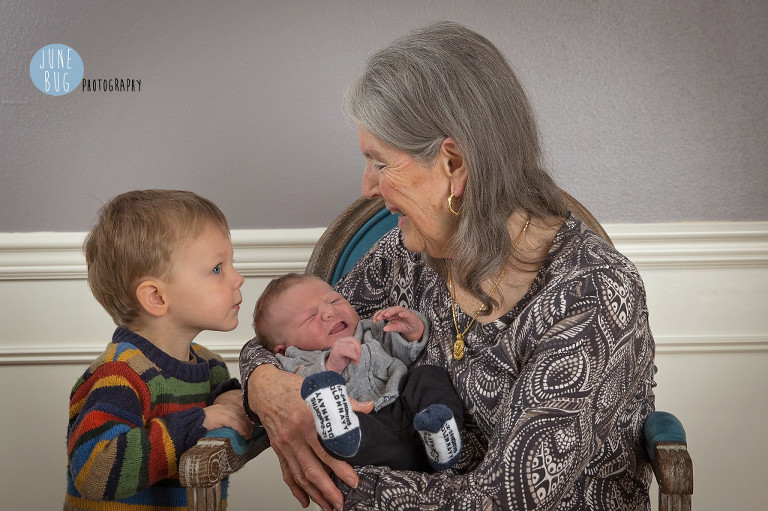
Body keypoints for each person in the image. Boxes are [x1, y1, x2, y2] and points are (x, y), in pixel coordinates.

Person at [240, 21, 656, 511]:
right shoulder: (408, 253)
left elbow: (502, 500)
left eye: (380, 163)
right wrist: (265, 386)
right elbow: (284, 335)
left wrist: (343, 485)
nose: (367, 187)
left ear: (453, 164)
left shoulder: (594, 293)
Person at [65, 189, 253, 511]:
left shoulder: (211, 367)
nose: (238, 278)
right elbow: (94, 472)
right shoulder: (120, 374)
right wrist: (197, 423)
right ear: (156, 297)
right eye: (217, 269)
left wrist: (232, 400)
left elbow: (221, 435)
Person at [252, 272, 464, 472]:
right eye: (311, 316)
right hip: (367, 426)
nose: (329, 312)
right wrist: (331, 366)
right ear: (283, 348)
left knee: (428, 375)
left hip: (406, 406)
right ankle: (346, 435)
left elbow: (405, 354)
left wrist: (411, 332)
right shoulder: (293, 361)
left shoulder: (369, 329)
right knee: (335, 429)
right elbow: (302, 391)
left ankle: (441, 433)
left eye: (335, 300)